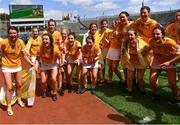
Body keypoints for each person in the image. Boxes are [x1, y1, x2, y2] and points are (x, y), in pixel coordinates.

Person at [0, 26, 34, 116]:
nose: (13, 35)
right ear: (8, 34)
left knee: (19, 84)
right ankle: (9, 106)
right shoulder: (4, 42)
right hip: (6, 66)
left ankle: (19, 99)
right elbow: (1, 51)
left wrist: (31, 63)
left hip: (17, 65)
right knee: (9, 87)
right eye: (11, 33)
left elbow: (24, 55)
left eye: (14, 33)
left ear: (17, 33)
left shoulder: (21, 42)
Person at [142, 26, 180, 101]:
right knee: (152, 80)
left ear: (163, 35)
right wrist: (144, 52)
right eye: (153, 34)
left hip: (169, 61)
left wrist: (169, 62)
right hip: (157, 61)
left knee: (172, 83)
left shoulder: (170, 42)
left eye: (157, 34)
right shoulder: (151, 41)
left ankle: (177, 97)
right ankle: (156, 93)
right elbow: (146, 51)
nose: (155, 36)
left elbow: (179, 53)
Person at [121, 28, 149, 97]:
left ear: (136, 35)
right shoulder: (125, 43)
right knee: (129, 77)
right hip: (131, 62)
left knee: (139, 78)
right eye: (128, 35)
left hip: (140, 62)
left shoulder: (141, 43)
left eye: (131, 35)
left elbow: (148, 51)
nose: (129, 37)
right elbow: (123, 53)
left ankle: (142, 91)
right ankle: (129, 91)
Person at [106, 11, 131, 84]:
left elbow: (122, 40)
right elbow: (110, 40)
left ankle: (123, 80)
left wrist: (117, 38)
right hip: (111, 49)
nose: (114, 24)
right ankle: (110, 80)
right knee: (110, 66)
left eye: (123, 17)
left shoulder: (123, 27)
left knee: (115, 68)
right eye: (120, 18)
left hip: (119, 48)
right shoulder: (114, 29)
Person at [38, 33, 61, 101]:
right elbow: (37, 57)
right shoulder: (40, 47)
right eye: (43, 39)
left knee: (53, 79)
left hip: (53, 64)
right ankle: (44, 90)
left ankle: (54, 93)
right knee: (43, 81)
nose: (45, 41)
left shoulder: (55, 48)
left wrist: (60, 66)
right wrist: (36, 65)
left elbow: (60, 57)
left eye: (46, 39)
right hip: (44, 64)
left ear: (50, 40)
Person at [99, 19, 112, 83]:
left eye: (105, 24)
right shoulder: (99, 32)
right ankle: (103, 77)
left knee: (110, 65)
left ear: (107, 24)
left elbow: (111, 41)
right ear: (101, 25)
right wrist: (100, 44)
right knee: (102, 64)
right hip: (102, 50)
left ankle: (110, 79)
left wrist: (107, 41)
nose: (104, 25)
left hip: (109, 49)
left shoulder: (110, 31)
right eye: (102, 24)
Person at [58, 28, 69, 96]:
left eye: (65, 34)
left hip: (68, 58)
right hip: (61, 58)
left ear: (67, 34)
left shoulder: (69, 40)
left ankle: (66, 83)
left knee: (67, 72)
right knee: (60, 72)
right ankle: (60, 87)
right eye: (62, 34)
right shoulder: (59, 41)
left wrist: (66, 51)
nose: (63, 35)